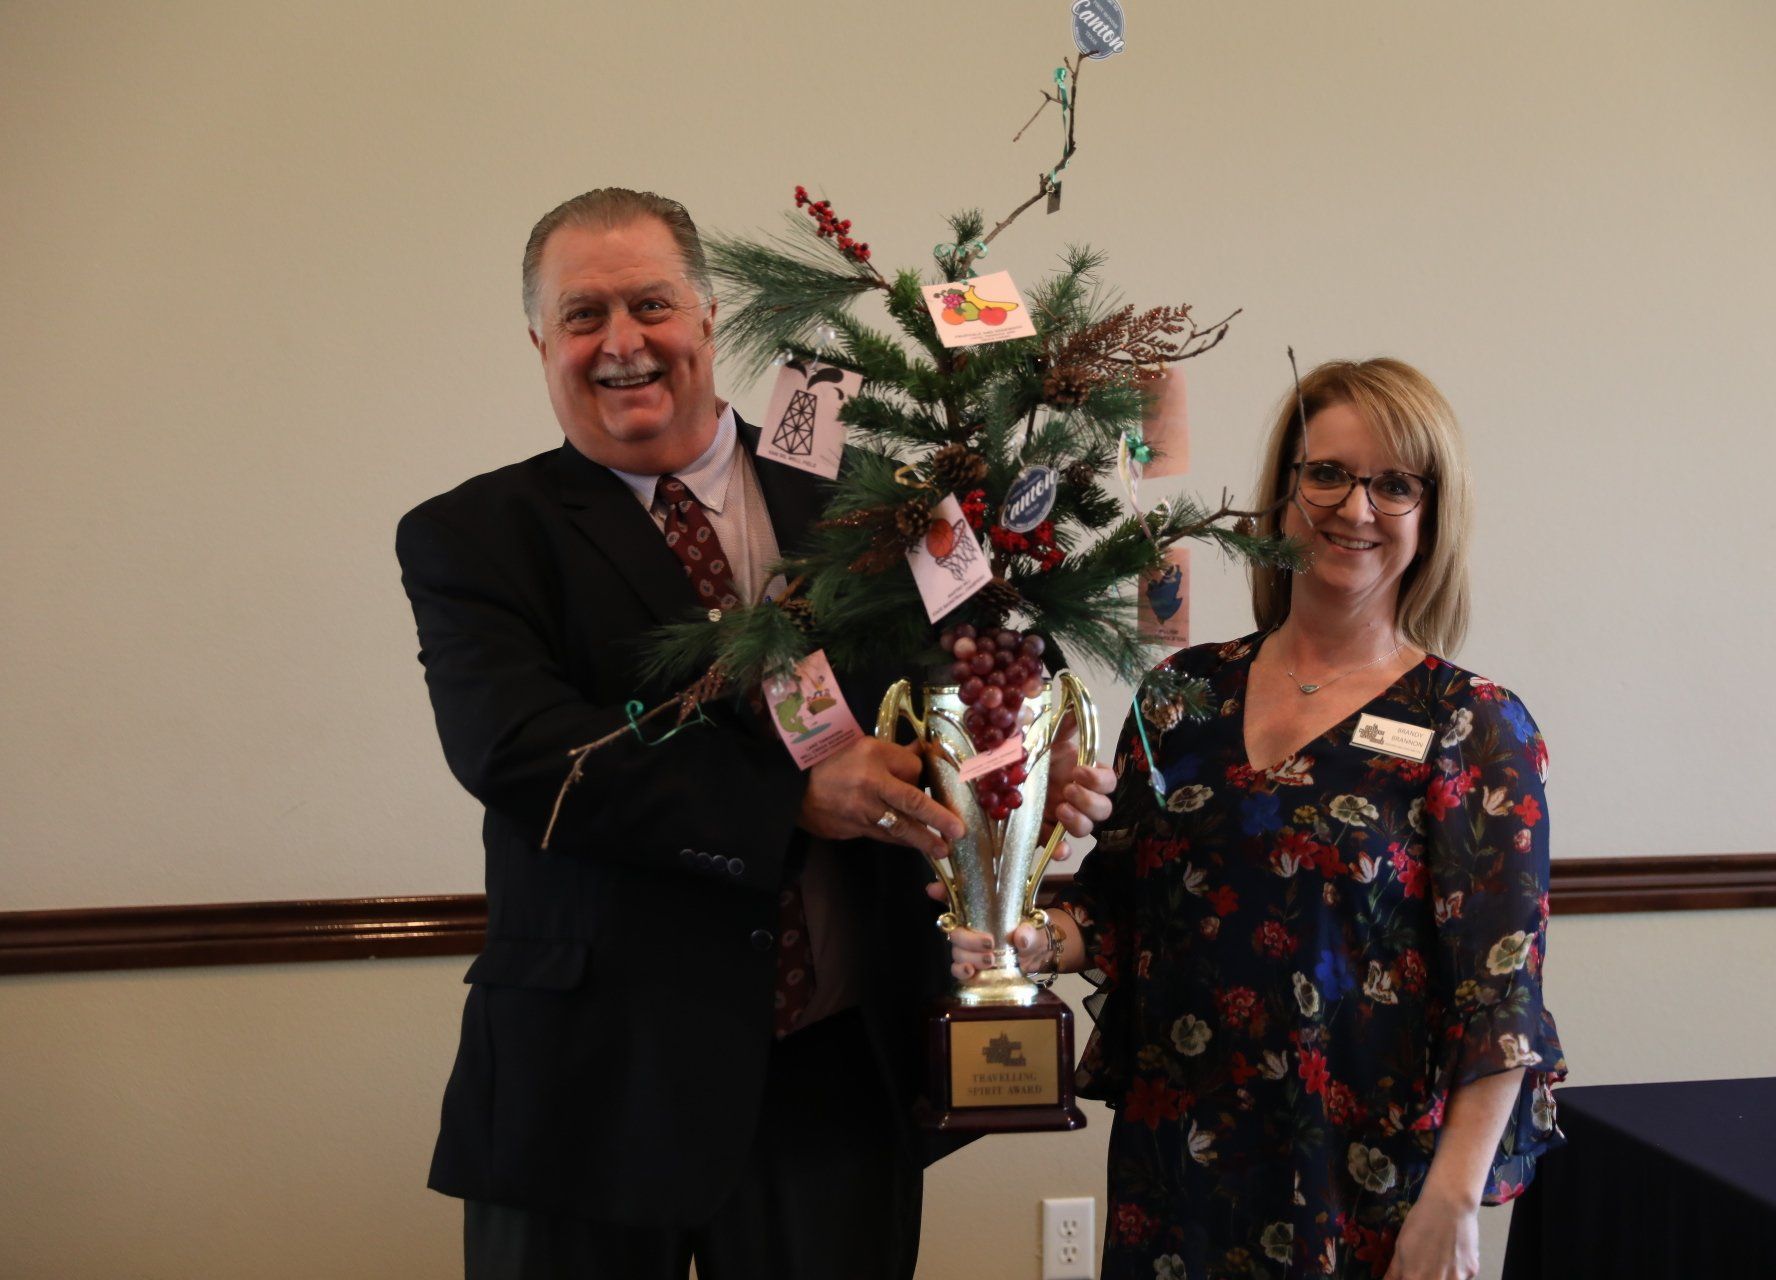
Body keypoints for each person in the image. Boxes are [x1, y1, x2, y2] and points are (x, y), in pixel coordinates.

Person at [396, 188, 1112, 1280]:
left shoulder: (877, 496)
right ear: (540, 338)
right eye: (583, 315)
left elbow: (994, 644)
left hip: (834, 1071)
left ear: (710, 312)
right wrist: (789, 794)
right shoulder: (473, 536)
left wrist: (1035, 736)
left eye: (651, 304)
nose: (622, 341)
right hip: (592, 1082)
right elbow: (521, 749)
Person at [949, 358, 1568, 1279]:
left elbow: (1499, 995)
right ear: (1283, 494)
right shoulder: (1179, 695)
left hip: (1361, 1188)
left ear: (1431, 515)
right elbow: (1121, 914)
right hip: (1178, 1173)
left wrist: (1450, 1202)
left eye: (1393, 485)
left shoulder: (1471, 724)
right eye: (1327, 474)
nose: (1354, 509)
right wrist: (1026, 942)